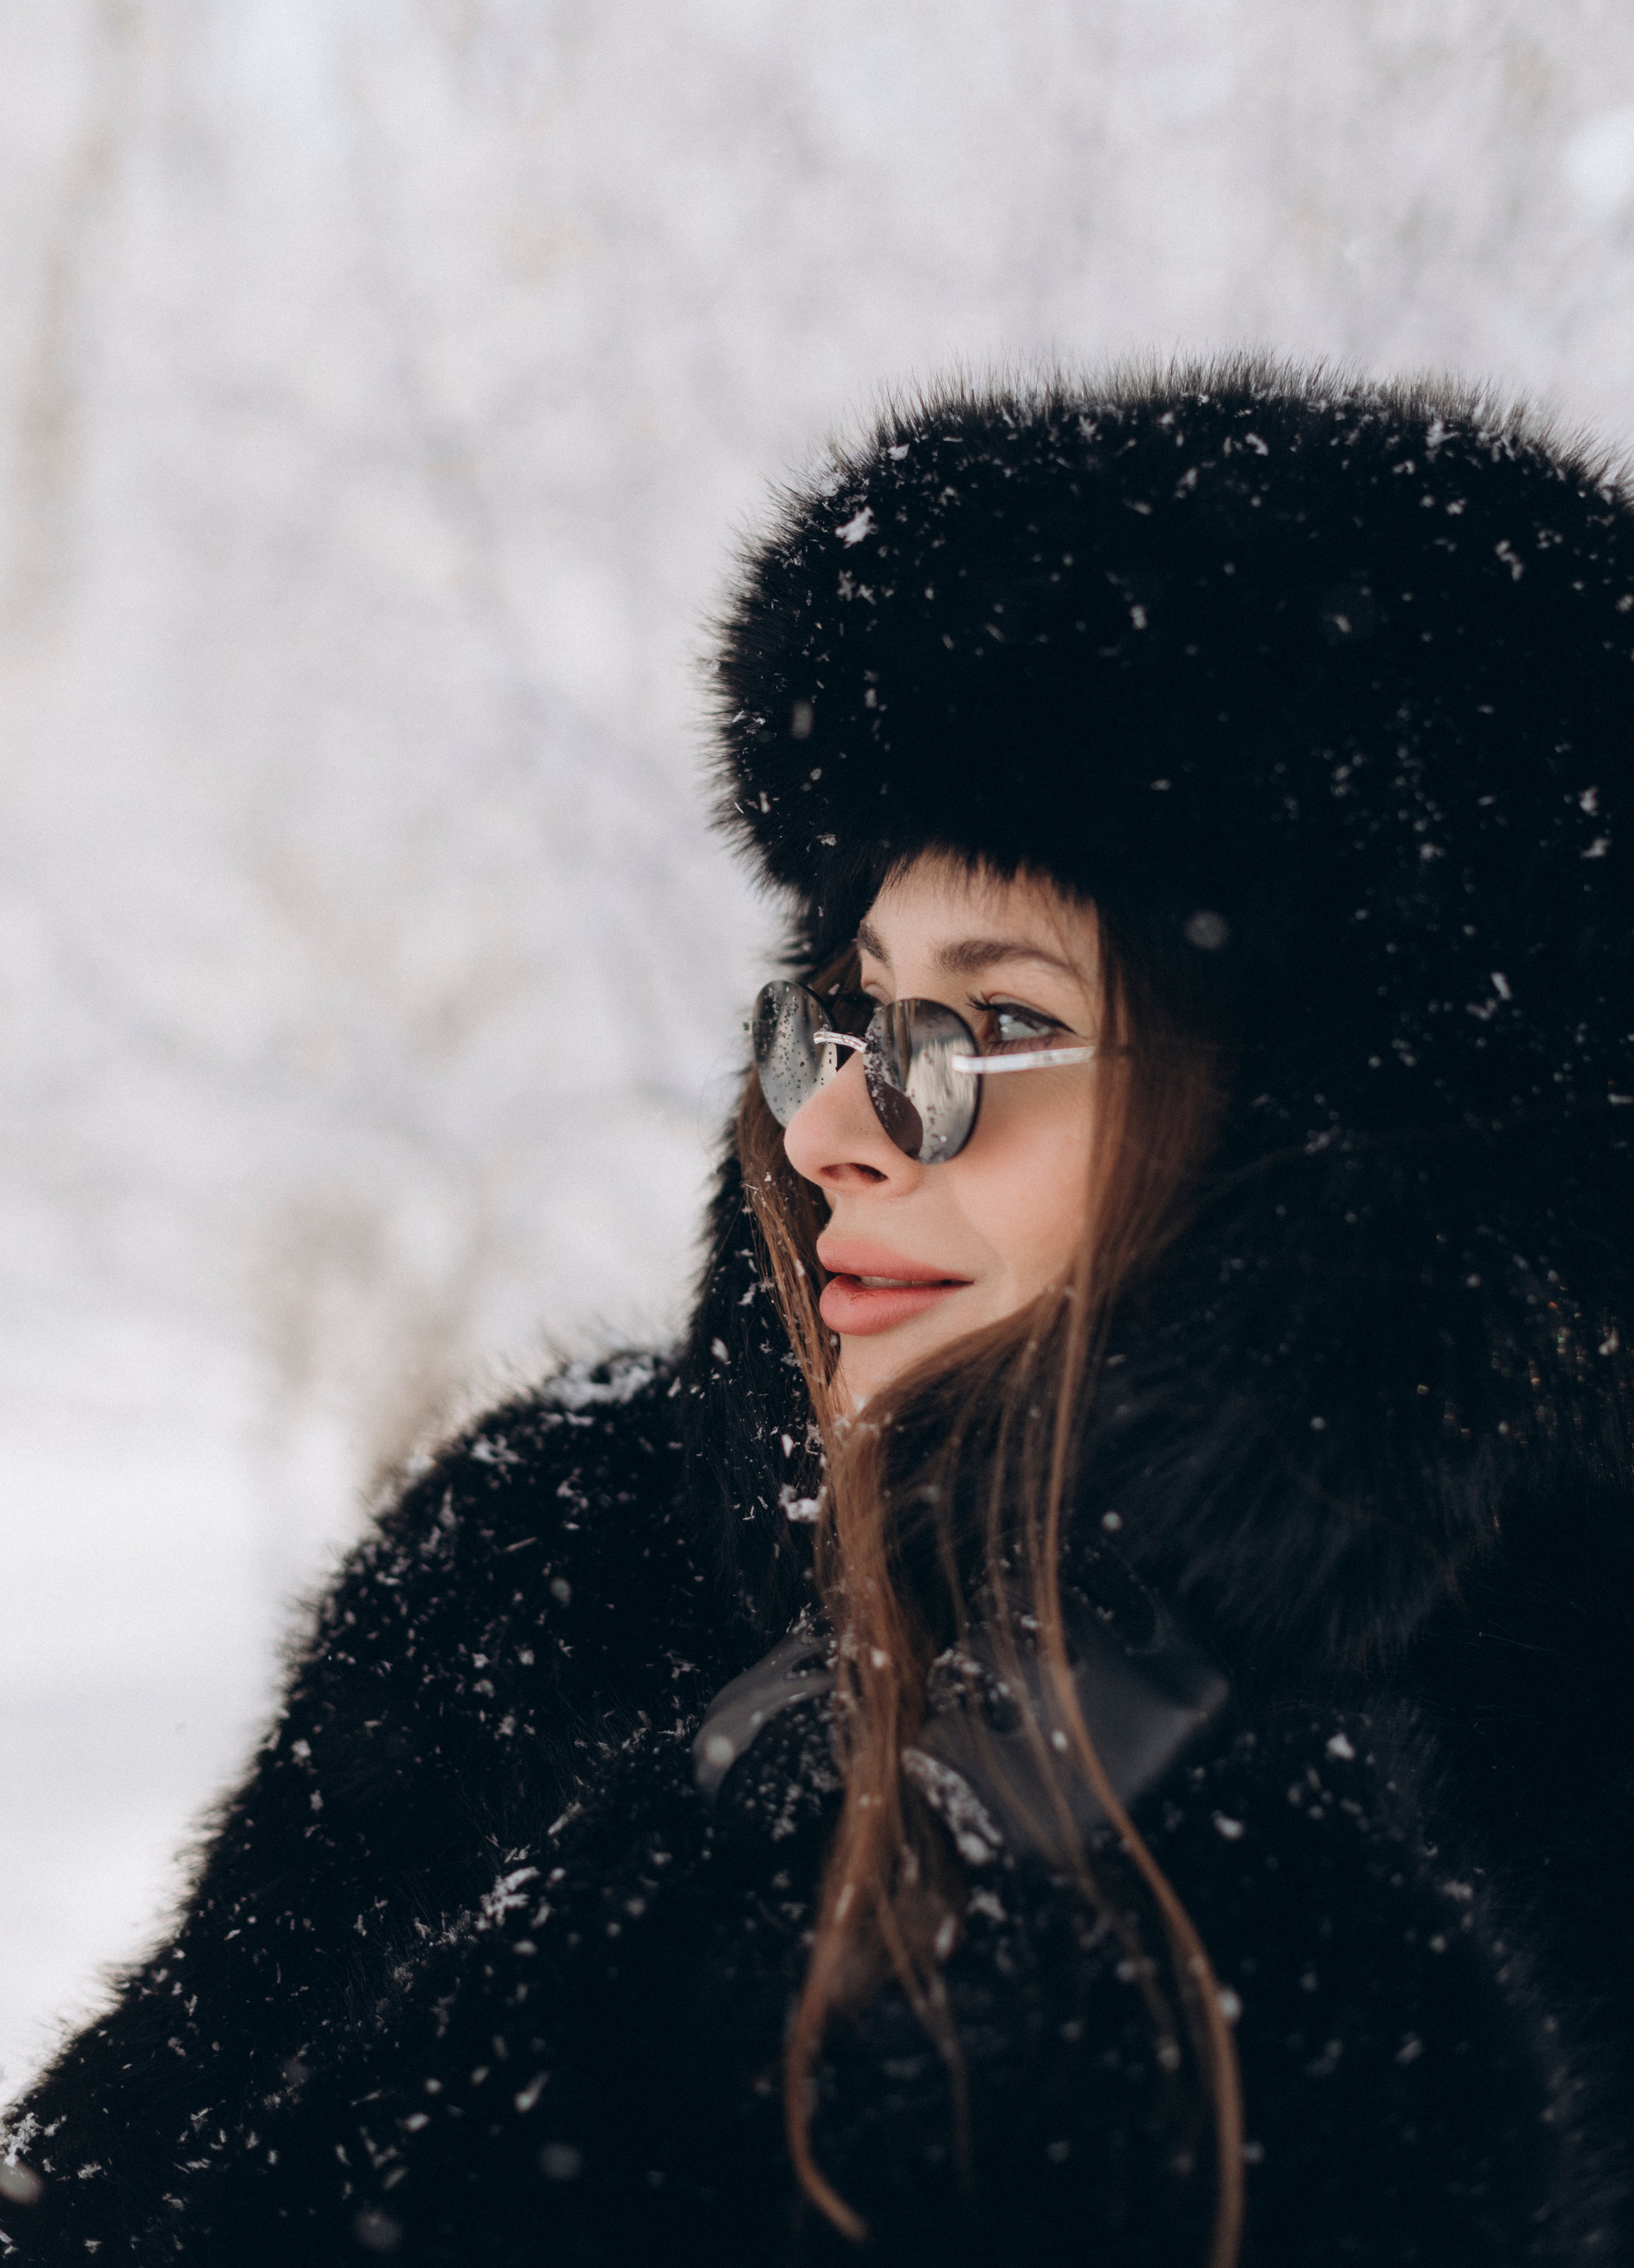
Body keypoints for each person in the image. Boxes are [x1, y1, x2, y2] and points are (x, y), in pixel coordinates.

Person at [4, 359, 1633, 2266]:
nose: (847, 1124)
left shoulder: (1568, 1756)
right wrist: (665, 1954)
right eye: (849, 1009)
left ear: (1342, 1130)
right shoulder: (562, 1584)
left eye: (999, 1025)